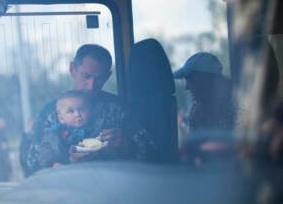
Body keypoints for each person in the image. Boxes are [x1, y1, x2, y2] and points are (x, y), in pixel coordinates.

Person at [24, 44, 157, 175]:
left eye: (99, 79)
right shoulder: (51, 113)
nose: (91, 85)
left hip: (114, 187)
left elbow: (152, 155)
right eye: (86, 76)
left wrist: (125, 145)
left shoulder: (118, 109)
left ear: (107, 77)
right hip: (67, 190)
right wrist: (67, 160)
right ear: (72, 69)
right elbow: (32, 162)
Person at [174, 52, 235, 131]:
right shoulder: (199, 109)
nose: (187, 87)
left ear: (206, 81)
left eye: (191, 80)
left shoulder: (236, 104)